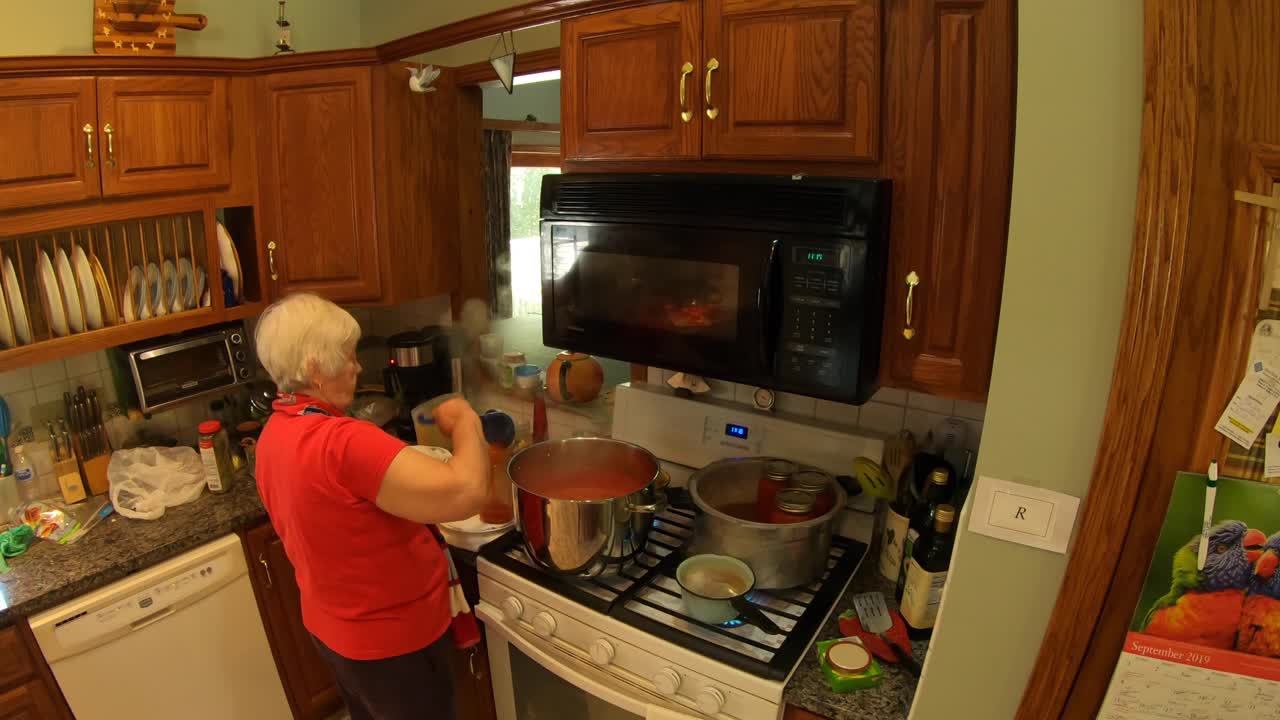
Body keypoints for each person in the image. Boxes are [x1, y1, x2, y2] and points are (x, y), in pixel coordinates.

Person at [253, 292, 489, 720]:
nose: (358, 366)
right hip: (393, 645)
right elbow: (465, 491)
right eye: (348, 355)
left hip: (336, 634)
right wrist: (467, 420)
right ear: (314, 369)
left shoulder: (274, 434)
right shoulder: (342, 442)